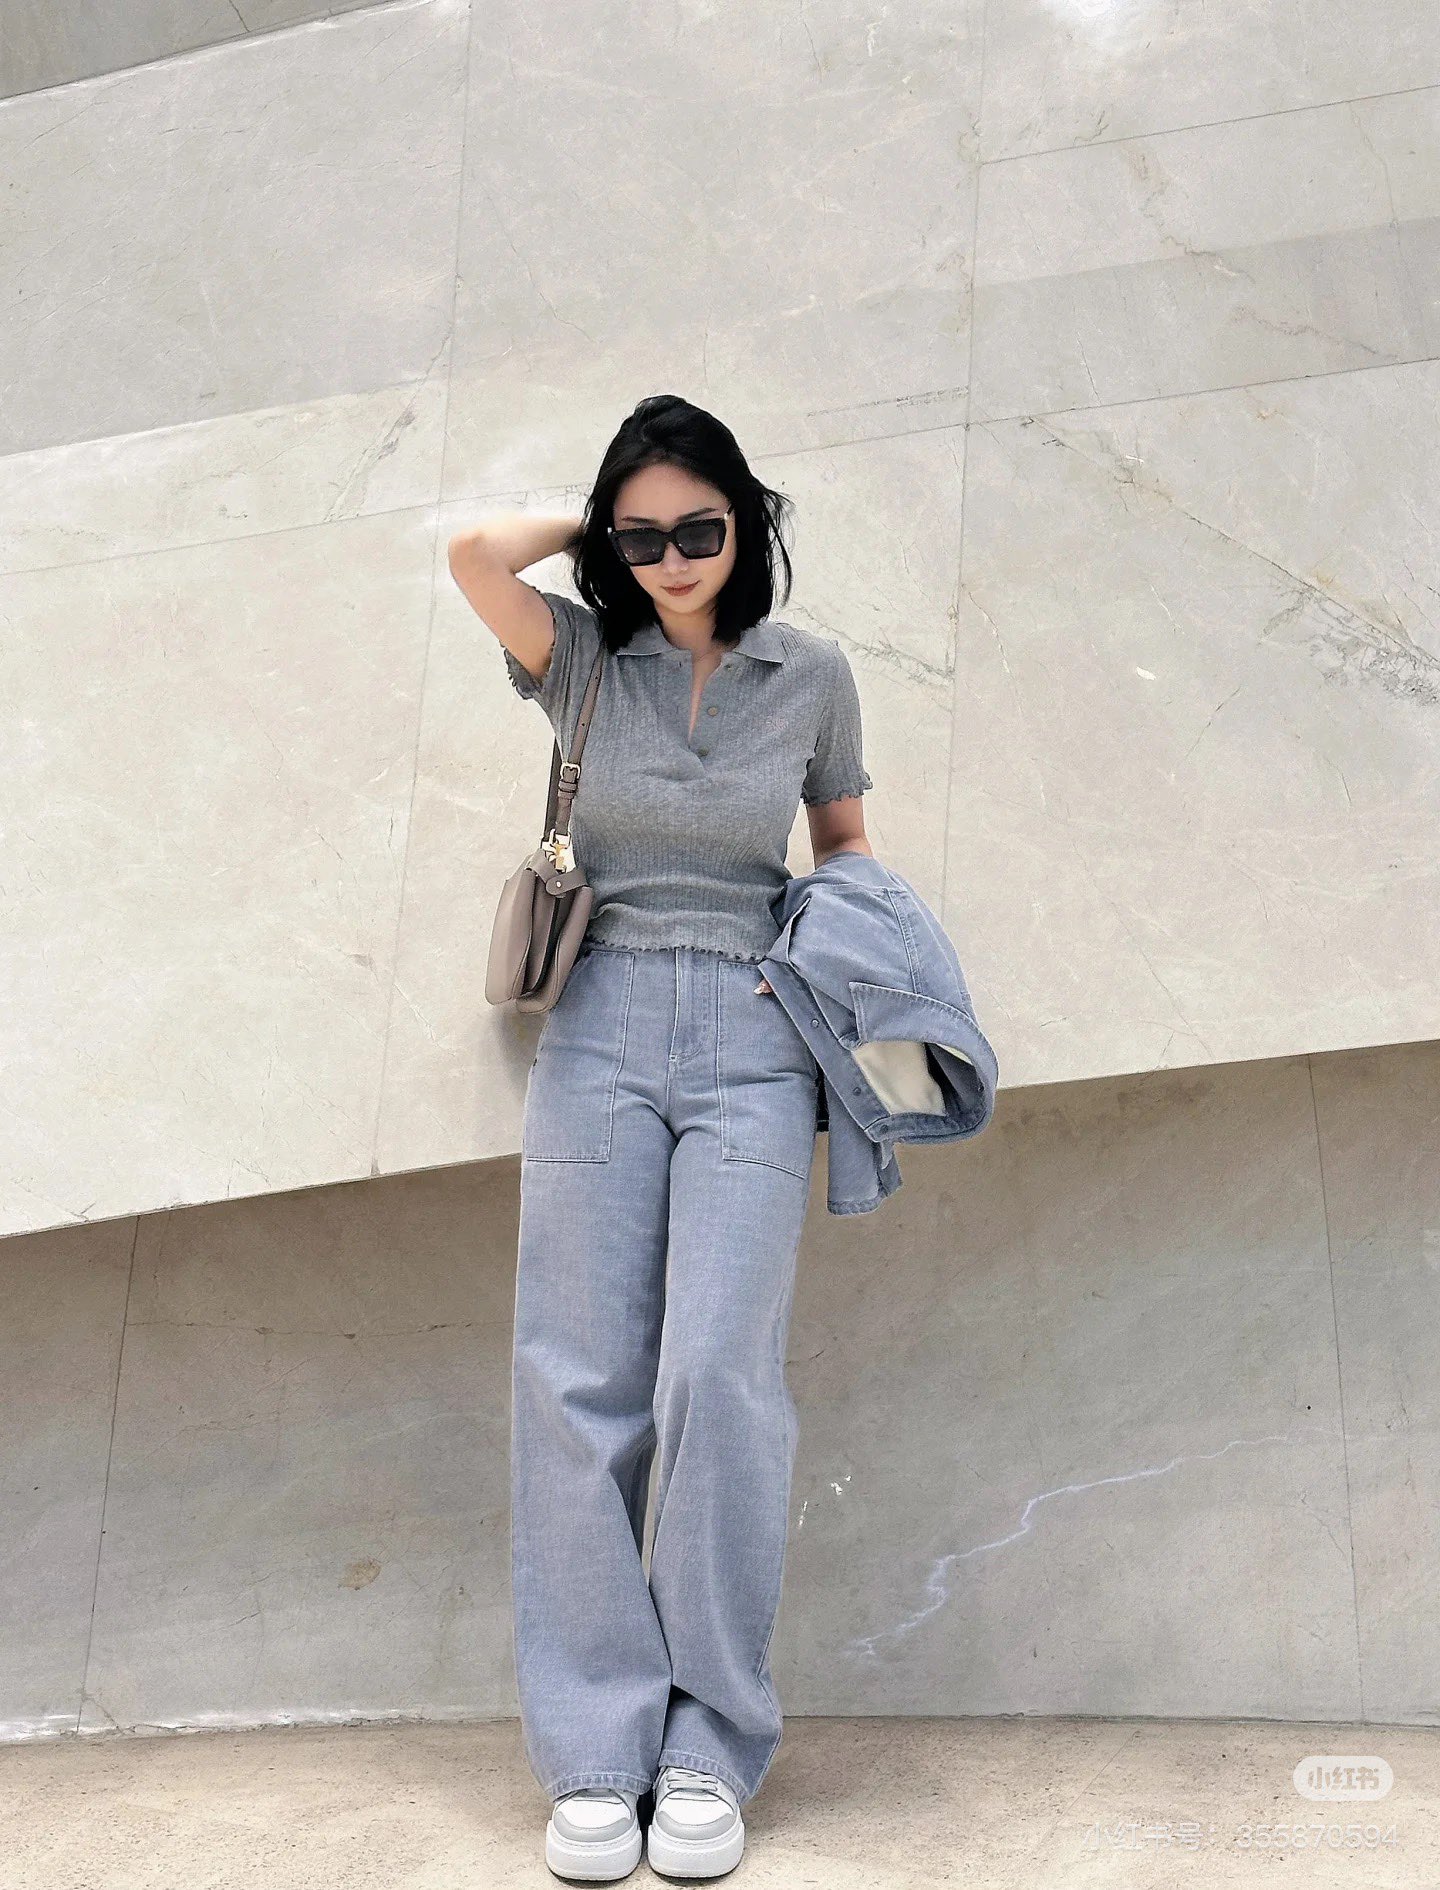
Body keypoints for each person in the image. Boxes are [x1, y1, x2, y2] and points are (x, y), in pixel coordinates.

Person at [447, 394, 873, 1882]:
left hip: (757, 1026)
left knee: (718, 1374)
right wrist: (603, 523)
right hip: (601, 1025)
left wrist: (839, 989)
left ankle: (709, 1739)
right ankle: (595, 1746)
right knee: (576, 1380)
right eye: (645, 538)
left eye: (702, 526)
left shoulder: (811, 675)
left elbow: (847, 856)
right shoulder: (581, 660)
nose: (675, 557)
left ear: (746, 523)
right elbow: (474, 556)